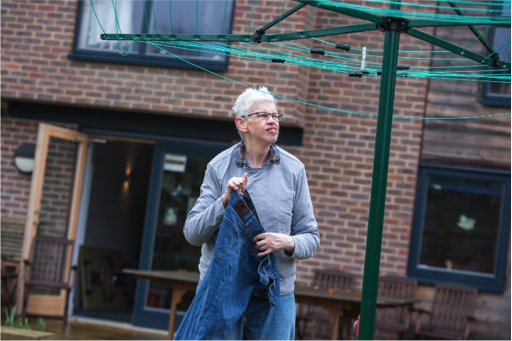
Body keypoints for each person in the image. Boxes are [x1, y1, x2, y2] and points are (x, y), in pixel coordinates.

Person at [183, 86, 320, 341]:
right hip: (220, 293)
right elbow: (192, 234)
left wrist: (287, 242)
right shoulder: (218, 167)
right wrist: (224, 201)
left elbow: (311, 238)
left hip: (275, 296)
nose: (272, 121)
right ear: (241, 123)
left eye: (276, 116)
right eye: (263, 115)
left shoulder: (294, 170)